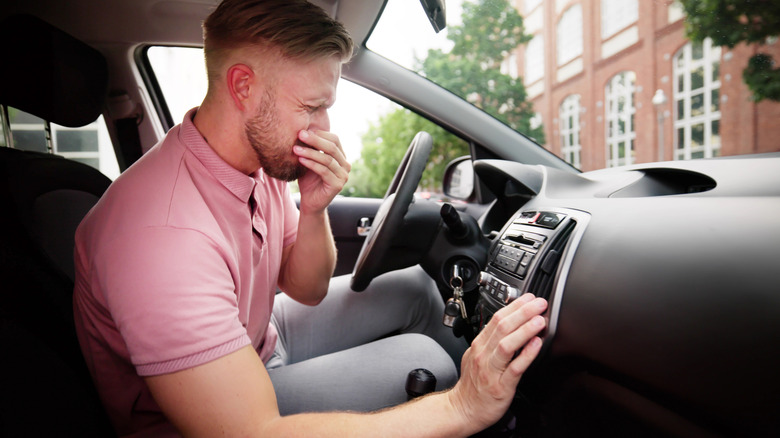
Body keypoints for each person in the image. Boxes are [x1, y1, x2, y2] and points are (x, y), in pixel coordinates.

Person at [72, 0, 548, 436]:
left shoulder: (256, 164)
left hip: (256, 338)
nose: (324, 128)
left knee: (416, 289)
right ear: (242, 86)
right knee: (425, 362)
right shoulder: (162, 235)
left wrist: (315, 206)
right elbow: (253, 432)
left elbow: (307, 288)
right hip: (211, 412)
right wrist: (463, 406)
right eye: (311, 107)